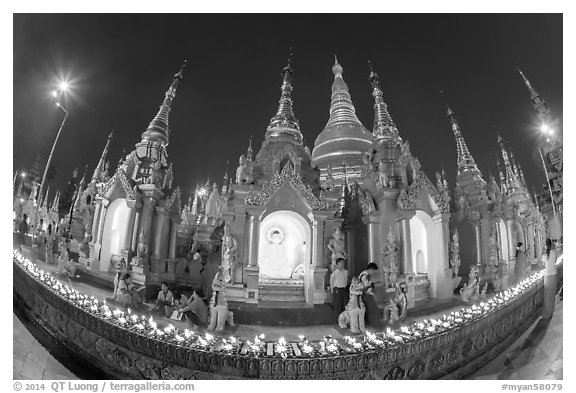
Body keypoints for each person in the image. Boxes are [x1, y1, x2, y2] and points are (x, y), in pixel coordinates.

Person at [359, 262, 382, 327]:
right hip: (364, 294)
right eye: (374, 271)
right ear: (371, 269)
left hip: (367, 293)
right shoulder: (365, 275)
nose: (374, 273)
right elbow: (365, 286)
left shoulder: (367, 274)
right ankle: (373, 322)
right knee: (372, 307)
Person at [542, 239, 558, 320]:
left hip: (548, 275)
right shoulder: (554, 252)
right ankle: (551, 312)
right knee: (552, 294)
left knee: (547, 295)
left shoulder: (545, 255)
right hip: (554, 274)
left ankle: (547, 313)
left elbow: (543, 263)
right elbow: (555, 261)